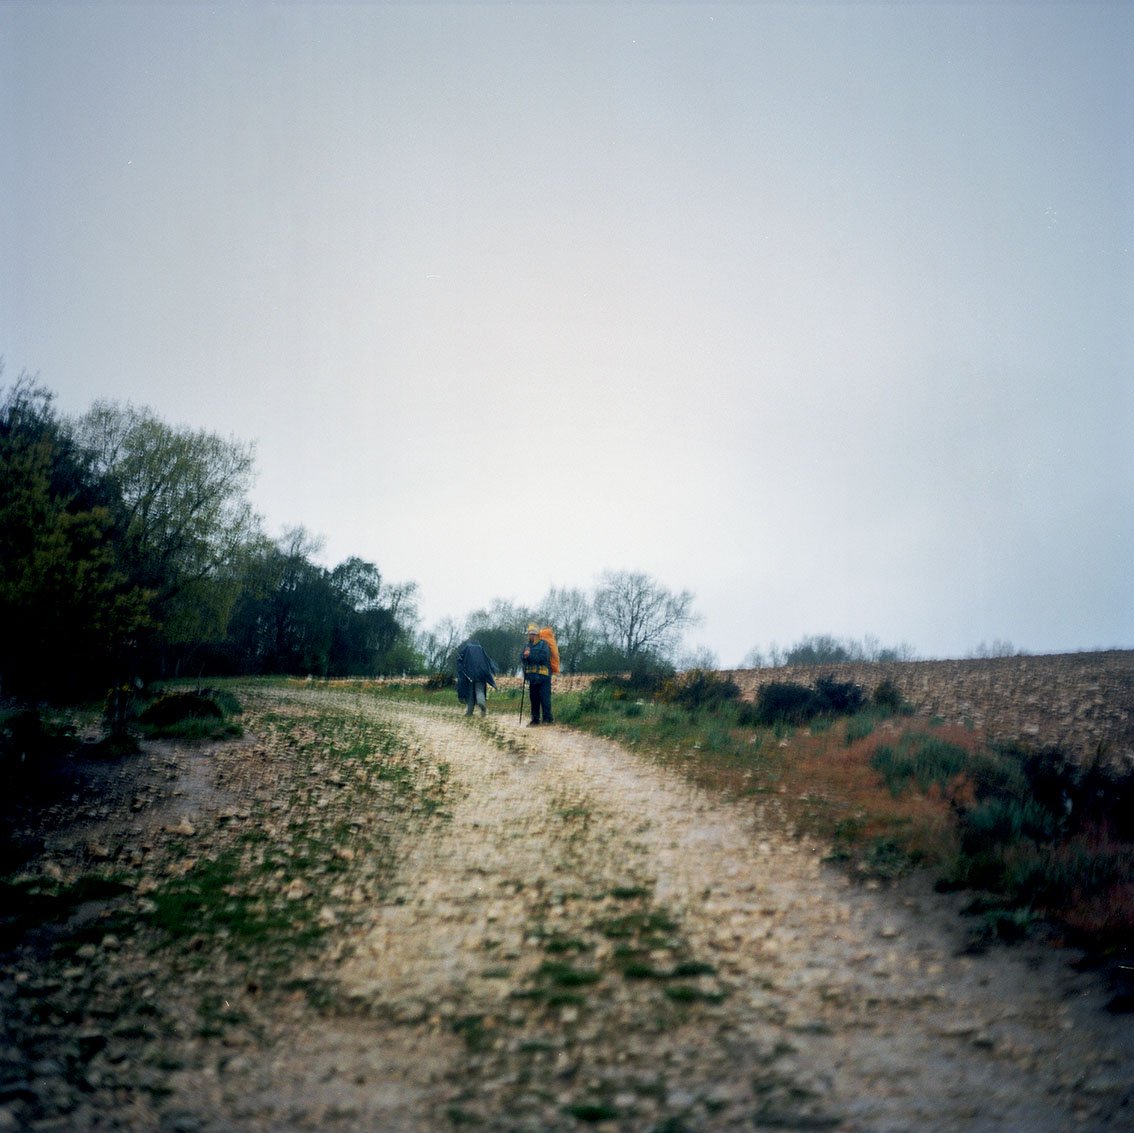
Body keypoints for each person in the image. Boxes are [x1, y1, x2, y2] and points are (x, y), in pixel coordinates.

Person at [521, 623, 553, 725]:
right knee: (534, 699)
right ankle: (535, 720)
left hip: (544, 677)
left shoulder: (544, 645)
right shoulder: (526, 646)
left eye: (534, 634)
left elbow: (542, 658)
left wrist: (529, 656)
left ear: (538, 634)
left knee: (545, 698)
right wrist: (524, 656)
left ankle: (547, 719)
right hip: (532, 677)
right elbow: (521, 658)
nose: (532, 636)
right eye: (530, 634)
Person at [456, 639, 496, 716]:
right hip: (482, 674)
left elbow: (460, 661)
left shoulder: (467, 649)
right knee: (479, 690)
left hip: (470, 675)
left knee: (470, 694)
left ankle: (469, 712)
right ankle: (482, 704)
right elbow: (488, 661)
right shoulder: (481, 649)